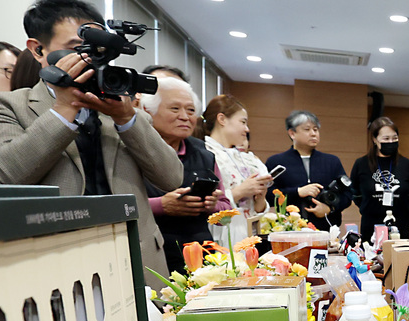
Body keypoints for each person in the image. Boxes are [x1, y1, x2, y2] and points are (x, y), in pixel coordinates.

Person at [0, 0, 181, 287]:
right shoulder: (4, 105)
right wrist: (65, 109)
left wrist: (127, 118)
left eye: (100, 51)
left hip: (139, 261)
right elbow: (6, 175)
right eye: (77, 49)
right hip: (58, 268)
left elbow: (171, 178)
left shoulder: (121, 108)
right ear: (38, 49)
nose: (90, 59)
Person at [141, 77, 230, 273]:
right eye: (175, 109)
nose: (185, 117)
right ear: (148, 111)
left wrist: (212, 204)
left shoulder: (204, 153)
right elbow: (119, 205)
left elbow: (226, 206)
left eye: (190, 110)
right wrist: (161, 205)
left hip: (202, 255)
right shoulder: (133, 150)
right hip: (152, 255)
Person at [265, 110, 350, 231]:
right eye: (307, 129)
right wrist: (297, 192)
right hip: (289, 231)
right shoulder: (276, 162)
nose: (313, 134)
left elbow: (347, 194)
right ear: (292, 133)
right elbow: (268, 195)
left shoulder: (332, 161)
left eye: (315, 130)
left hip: (326, 231)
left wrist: (329, 209)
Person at [201, 94, 271, 242]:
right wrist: (240, 191)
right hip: (222, 233)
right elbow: (204, 202)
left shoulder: (243, 157)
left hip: (249, 231)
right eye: (243, 122)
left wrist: (260, 198)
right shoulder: (205, 153)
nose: (246, 129)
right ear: (222, 120)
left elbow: (256, 208)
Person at [349, 116, 409, 242]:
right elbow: (354, 191)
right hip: (371, 225)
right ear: (375, 139)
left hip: (400, 224)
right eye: (386, 138)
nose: (391, 142)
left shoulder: (406, 164)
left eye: (394, 138)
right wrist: (368, 206)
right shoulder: (361, 164)